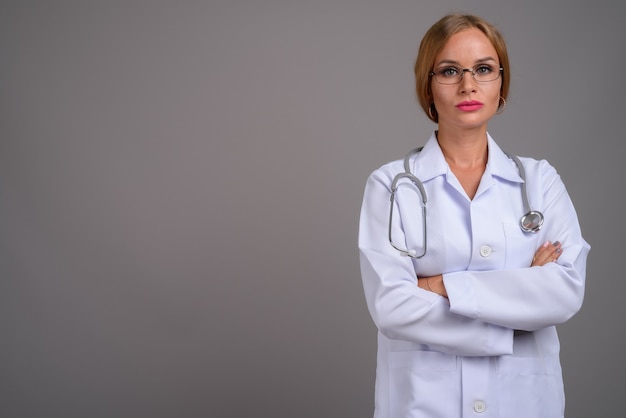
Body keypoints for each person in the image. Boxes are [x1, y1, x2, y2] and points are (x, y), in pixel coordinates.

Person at [358, 13, 590, 418]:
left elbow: (564, 291)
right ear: (427, 87)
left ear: (502, 84)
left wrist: (437, 285)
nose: (468, 85)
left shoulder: (540, 181)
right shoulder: (392, 185)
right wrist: (519, 301)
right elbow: (392, 306)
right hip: (425, 403)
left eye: (483, 69)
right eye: (450, 71)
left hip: (523, 402)